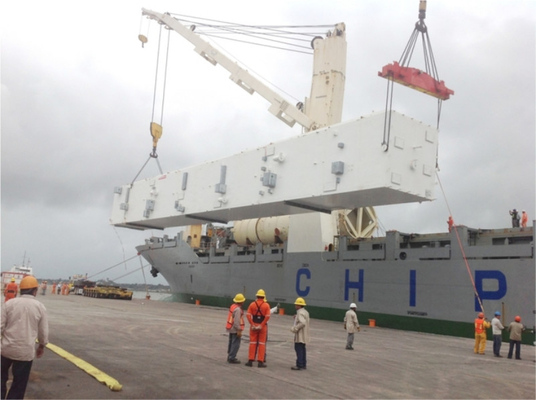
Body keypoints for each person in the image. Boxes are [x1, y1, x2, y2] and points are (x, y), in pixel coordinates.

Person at [1, 276, 49, 400]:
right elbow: (43, 331)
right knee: (19, 383)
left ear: (20, 290)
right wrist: (41, 346)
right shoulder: (40, 307)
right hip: (25, 352)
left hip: (6, 349)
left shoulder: (9, 304)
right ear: (34, 291)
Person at [245, 289, 271, 368]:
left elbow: (248, 315)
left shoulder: (252, 304)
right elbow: (267, 317)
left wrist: (252, 324)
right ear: (263, 297)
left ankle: (250, 361)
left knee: (252, 343)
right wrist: (261, 325)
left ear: (257, 296)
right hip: (263, 327)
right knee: (262, 344)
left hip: (254, 325)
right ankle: (260, 362)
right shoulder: (266, 305)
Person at [290, 297, 310, 371]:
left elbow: (302, 322)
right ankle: (303, 364)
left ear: (299, 305)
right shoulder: (305, 312)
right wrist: (296, 318)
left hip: (300, 334)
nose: (295, 305)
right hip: (305, 334)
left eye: (296, 304)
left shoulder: (299, 312)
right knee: (303, 348)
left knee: (298, 349)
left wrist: (295, 328)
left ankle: (299, 364)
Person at [226, 293, 245, 364]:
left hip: (230, 327)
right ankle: (232, 358)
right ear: (241, 301)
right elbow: (237, 321)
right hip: (235, 329)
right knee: (235, 344)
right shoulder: (238, 310)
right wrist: (239, 329)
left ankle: (229, 355)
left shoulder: (233, 306)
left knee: (231, 342)